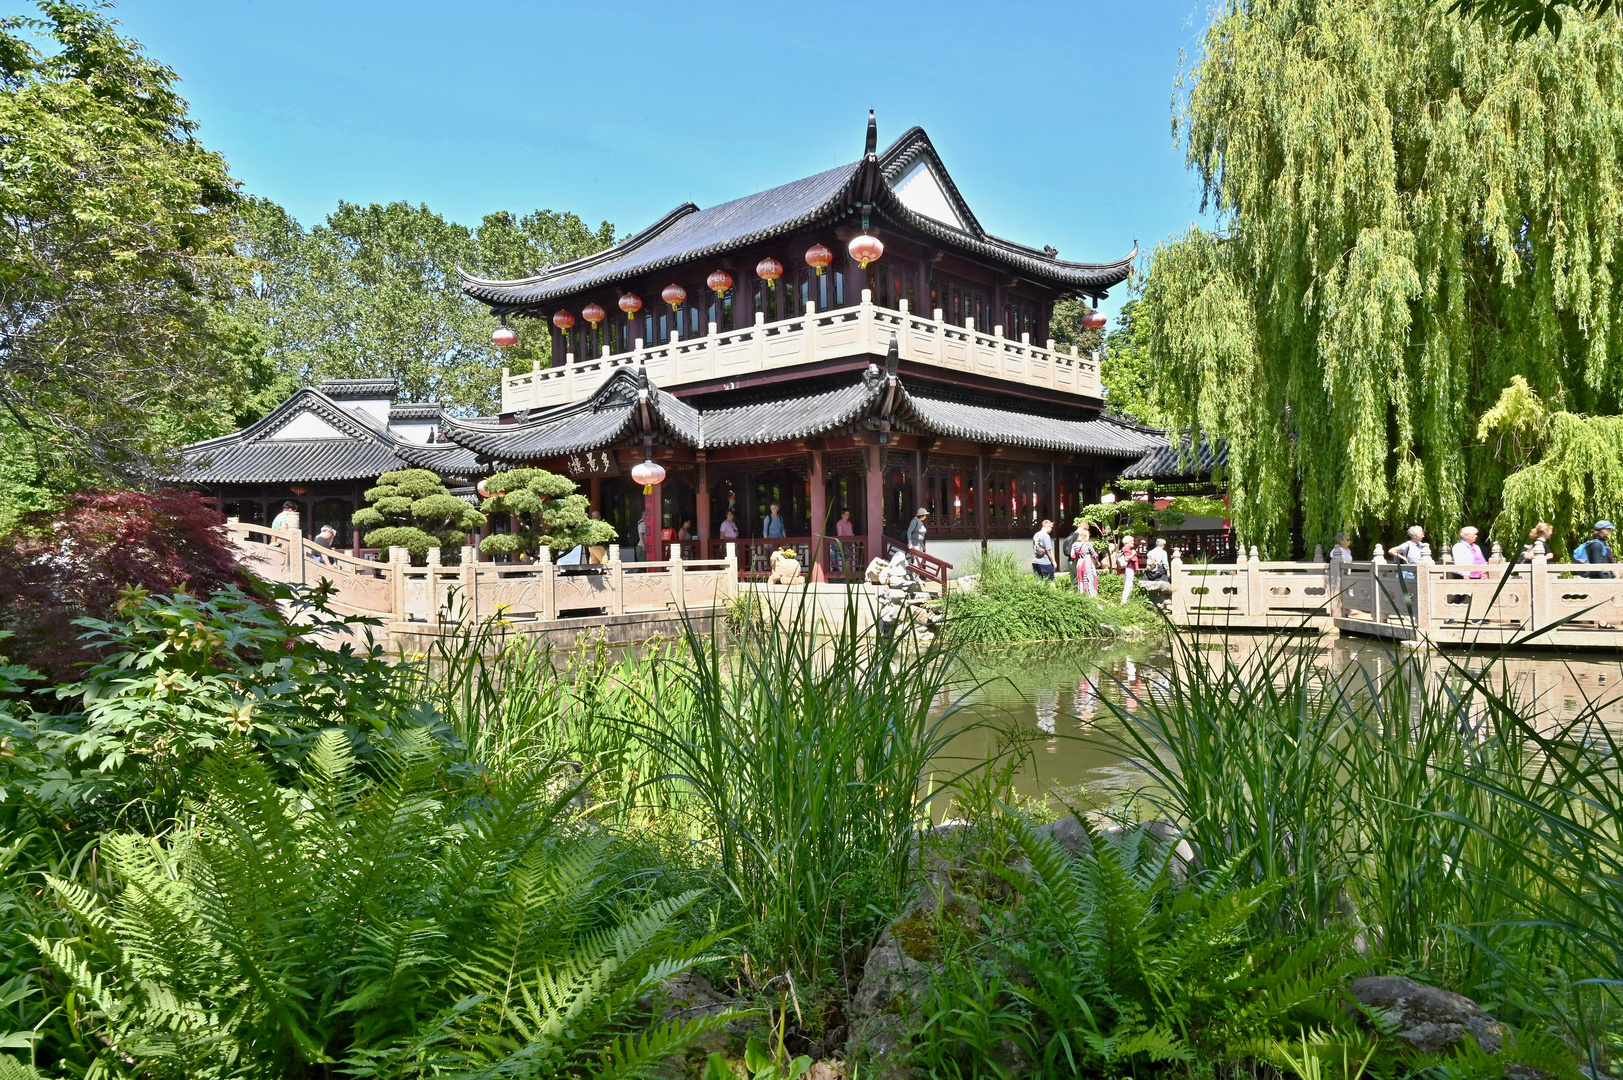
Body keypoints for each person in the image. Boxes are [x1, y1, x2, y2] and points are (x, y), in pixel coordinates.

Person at [1071, 524, 1099, 597]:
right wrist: (1097, 561)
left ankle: (1081, 594)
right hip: (1087, 563)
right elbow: (1094, 554)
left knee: (1080, 579)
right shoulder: (1088, 544)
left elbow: (1073, 556)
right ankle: (1091, 595)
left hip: (1079, 563)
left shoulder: (1074, 545)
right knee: (1089, 578)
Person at [1119, 534, 1140, 604]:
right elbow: (1126, 558)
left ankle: (1126, 600)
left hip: (1125, 570)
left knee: (1129, 585)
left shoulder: (1124, 549)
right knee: (1129, 585)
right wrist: (1133, 554)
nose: (1133, 542)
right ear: (1127, 542)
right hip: (1128, 569)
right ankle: (1124, 601)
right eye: (1131, 541)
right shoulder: (1126, 549)